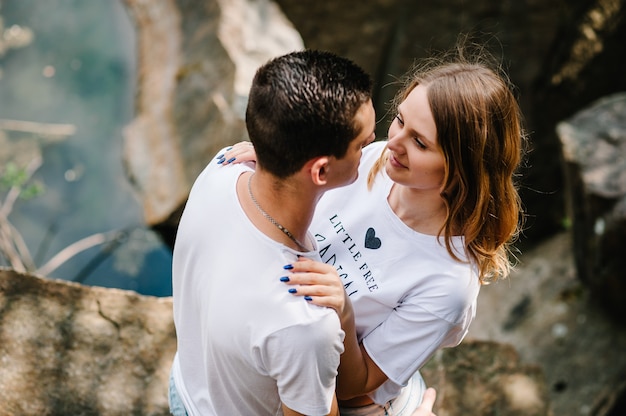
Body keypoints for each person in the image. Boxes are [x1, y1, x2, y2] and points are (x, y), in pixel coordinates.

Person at [221, 43, 526, 415]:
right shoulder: (375, 159)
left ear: (462, 166)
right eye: (400, 120)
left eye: (419, 142)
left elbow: (355, 387)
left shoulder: (448, 283)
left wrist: (343, 313)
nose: (393, 143)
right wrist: (280, 162)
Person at [169, 49, 377, 416]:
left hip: (185, 390)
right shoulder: (306, 321)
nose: (374, 150)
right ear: (321, 172)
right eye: (362, 144)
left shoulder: (220, 169)